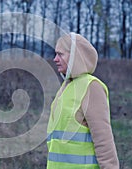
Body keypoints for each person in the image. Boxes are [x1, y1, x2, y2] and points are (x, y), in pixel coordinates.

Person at [47, 32, 119, 169]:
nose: (55, 59)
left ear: (75, 57)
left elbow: (103, 139)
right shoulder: (66, 86)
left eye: (60, 54)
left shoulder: (91, 87)